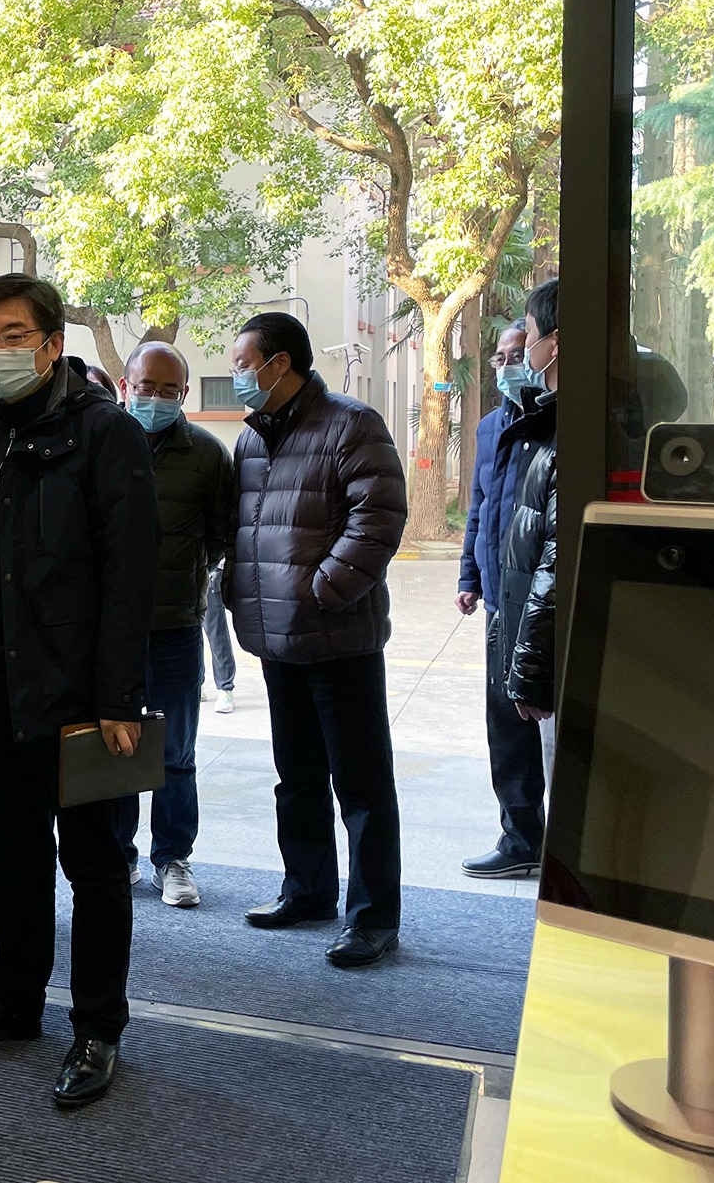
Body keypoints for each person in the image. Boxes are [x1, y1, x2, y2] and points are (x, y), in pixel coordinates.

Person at [0, 273, 159, 1108]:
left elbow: (131, 575)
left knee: (95, 865)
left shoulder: (105, 432)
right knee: (13, 856)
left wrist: (119, 697)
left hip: (82, 699)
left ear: (53, 345)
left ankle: (98, 1027)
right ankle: (13, 998)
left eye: (13, 335)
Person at [227, 310, 409, 968]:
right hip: (277, 639)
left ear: (279, 364)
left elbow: (380, 516)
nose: (237, 376)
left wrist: (323, 589)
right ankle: (307, 890)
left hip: (339, 637)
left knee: (361, 784)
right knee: (297, 777)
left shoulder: (351, 424)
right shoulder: (253, 438)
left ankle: (373, 917)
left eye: (243, 364)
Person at [114, 340, 235, 908]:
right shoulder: (102, 441)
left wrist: (186, 578)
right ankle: (119, 854)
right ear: (125, 386)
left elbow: (221, 533)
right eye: (146, 387)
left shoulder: (207, 454)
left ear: (184, 393)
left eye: (169, 390)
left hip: (176, 630)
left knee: (175, 752)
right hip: (110, 630)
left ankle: (172, 858)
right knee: (112, 745)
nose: (156, 398)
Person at [457, 321, 550, 879]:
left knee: (546, 721)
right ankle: (520, 837)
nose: (508, 365)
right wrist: (469, 576)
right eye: (499, 358)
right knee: (507, 723)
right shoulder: (492, 427)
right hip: (498, 601)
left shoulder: (556, 425)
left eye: (518, 355)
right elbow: (480, 506)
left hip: (541, 598)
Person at [499, 281, 559, 776]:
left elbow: (556, 563)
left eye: (532, 333)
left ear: (553, 344)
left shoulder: (569, 433)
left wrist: (532, 668)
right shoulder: (545, 424)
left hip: (552, 657)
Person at [202, 567, 237, 713]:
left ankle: (225, 688)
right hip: (187, 572)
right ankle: (197, 683)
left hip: (208, 570)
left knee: (216, 631)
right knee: (189, 631)